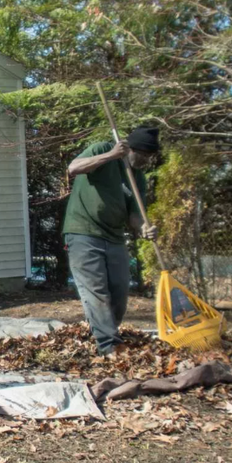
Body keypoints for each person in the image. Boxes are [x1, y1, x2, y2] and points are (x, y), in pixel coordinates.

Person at [62, 126, 160, 355]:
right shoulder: (103, 149)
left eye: (150, 156)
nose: (146, 160)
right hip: (83, 232)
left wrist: (144, 228)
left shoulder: (137, 178)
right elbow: (73, 168)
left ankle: (101, 334)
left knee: (118, 294)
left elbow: (135, 214)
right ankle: (109, 347)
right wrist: (111, 155)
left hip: (114, 237)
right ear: (130, 149)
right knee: (96, 291)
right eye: (143, 155)